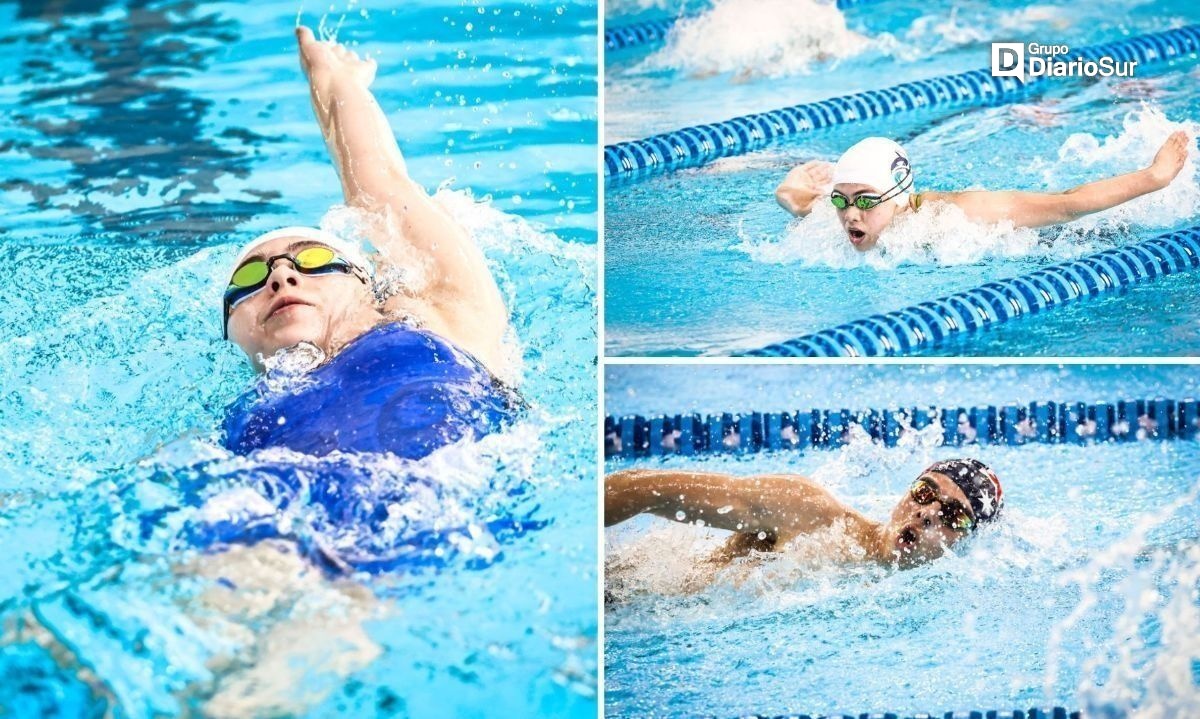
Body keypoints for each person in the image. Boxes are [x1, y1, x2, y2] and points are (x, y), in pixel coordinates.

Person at [219, 26, 521, 461]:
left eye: (315, 260)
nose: (282, 276)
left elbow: (379, 188)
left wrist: (338, 81)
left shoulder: (440, 318)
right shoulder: (237, 420)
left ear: (367, 282)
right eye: (249, 276)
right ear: (232, 331)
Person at [774, 132, 1191, 251]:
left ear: (900, 197)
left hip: (1057, 240)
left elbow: (1067, 204)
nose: (850, 214)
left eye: (865, 199)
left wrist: (1154, 177)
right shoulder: (835, 221)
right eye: (841, 200)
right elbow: (799, 201)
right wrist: (789, 189)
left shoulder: (955, 217)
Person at [605, 458, 1003, 570]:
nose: (926, 513)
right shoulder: (808, 511)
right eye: (923, 492)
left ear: (968, 539)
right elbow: (642, 489)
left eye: (953, 515)